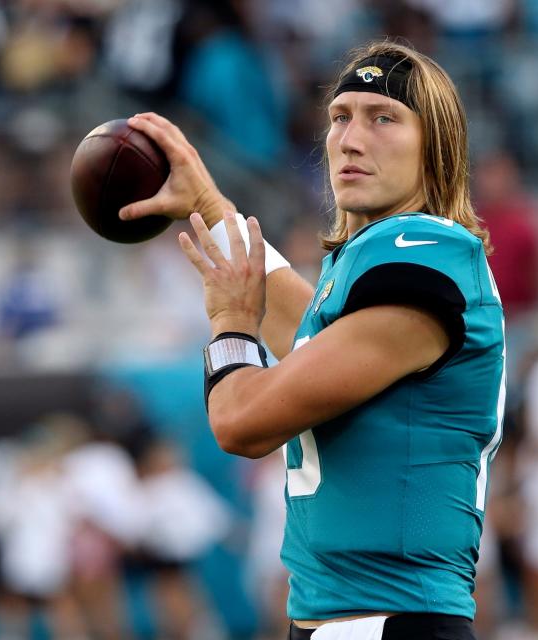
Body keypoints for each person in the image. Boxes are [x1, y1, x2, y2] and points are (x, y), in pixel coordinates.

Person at [119, 40, 506, 640]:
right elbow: (308, 336)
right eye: (340, 116)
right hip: (342, 622)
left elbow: (241, 422)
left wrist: (229, 324)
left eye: (383, 117)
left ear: (436, 146)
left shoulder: (426, 258)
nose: (350, 139)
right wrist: (206, 206)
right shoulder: (369, 260)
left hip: (395, 623)